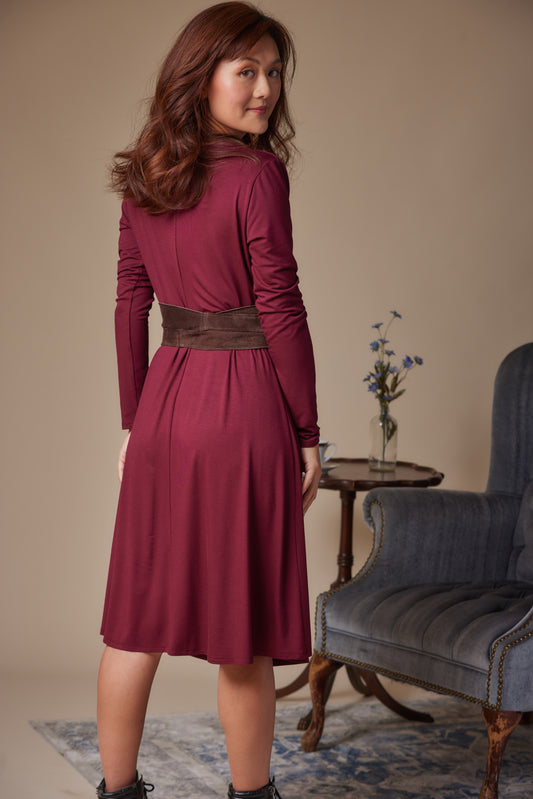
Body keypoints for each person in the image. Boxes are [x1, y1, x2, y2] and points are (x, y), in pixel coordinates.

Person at [97, 3, 321, 798]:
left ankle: (116, 790)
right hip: (243, 408)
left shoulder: (144, 172)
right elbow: (279, 306)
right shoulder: (258, 175)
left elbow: (130, 304)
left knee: (135, 620)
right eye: (248, 71)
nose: (266, 89)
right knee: (243, 633)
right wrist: (308, 429)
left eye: (273, 73)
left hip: (164, 403)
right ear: (202, 78)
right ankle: (251, 795)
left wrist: (133, 419)